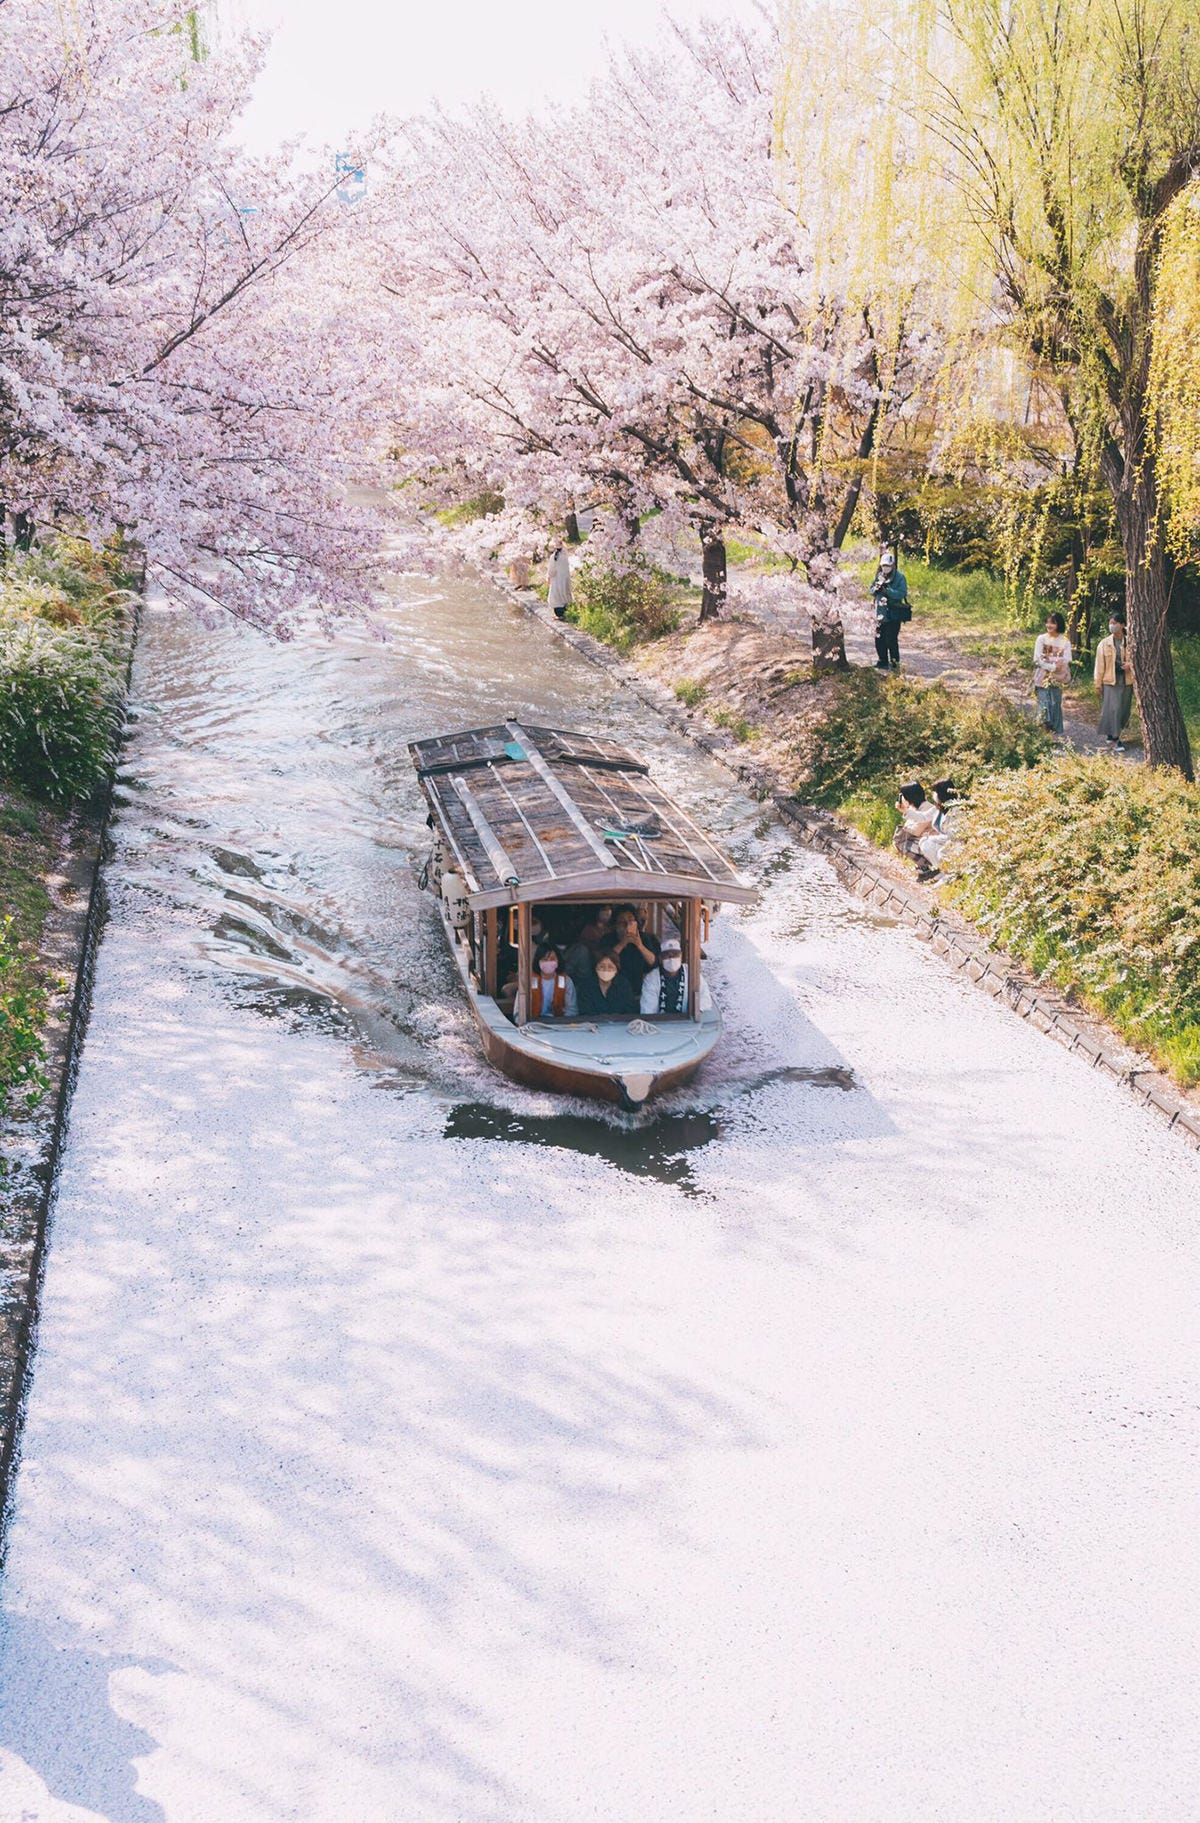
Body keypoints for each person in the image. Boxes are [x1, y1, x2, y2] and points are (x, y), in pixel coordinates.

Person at [639, 935, 712, 1016]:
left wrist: (697, 1011)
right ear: (660, 958)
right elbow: (648, 1010)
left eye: (675, 954)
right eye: (667, 955)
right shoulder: (651, 978)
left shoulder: (691, 972)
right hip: (659, 1024)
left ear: (681, 956)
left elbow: (704, 996)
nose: (671, 958)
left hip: (686, 1024)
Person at [1094, 612, 1134, 753]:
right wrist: (1097, 684)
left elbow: (1138, 659)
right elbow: (1099, 666)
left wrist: (1130, 664)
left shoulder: (1130, 641)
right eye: (1110, 623)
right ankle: (1116, 739)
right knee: (1114, 709)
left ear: (1122, 625)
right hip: (1110, 681)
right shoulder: (1104, 644)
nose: (1112, 626)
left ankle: (1111, 735)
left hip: (1127, 680)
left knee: (1122, 710)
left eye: (1115, 623)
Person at [871, 546, 910, 671]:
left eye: (887, 565)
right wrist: (875, 590)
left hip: (893, 613)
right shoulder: (880, 576)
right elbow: (871, 589)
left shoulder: (900, 577)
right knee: (879, 638)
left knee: (891, 639)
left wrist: (888, 591)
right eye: (883, 565)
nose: (885, 568)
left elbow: (902, 593)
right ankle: (882, 660)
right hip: (880, 613)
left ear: (892, 565)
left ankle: (894, 662)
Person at [1033, 612, 1072, 735]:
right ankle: (1043, 735)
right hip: (1042, 678)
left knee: (1055, 704)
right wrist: (1052, 666)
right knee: (1044, 705)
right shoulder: (1041, 639)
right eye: (1048, 622)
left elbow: (1067, 659)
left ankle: (1052, 735)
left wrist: (1055, 666)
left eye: (1053, 623)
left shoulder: (1064, 641)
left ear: (1058, 624)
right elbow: (1037, 659)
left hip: (1057, 678)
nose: (1049, 625)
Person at [916, 779, 960, 875]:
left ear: (942, 794)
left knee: (939, 851)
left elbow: (953, 836)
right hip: (944, 841)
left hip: (956, 843)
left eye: (936, 793)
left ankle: (950, 875)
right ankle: (942, 872)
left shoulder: (956, 810)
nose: (934, 796)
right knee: (924, 843)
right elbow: (923, 817)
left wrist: (932, 838)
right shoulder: (939, 807)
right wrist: (905, 811)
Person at [576, 947, 637, 1016]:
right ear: (595, 968)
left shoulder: (623, 985)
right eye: (602, 966)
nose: (606, 970)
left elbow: (630, 1011)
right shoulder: (586, 986)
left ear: (616, 969)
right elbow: (584, 1012)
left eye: (610, 967)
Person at [612, 903, 660, 990]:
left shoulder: (644, 938)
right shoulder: (608, 938)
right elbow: (605, 960)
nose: (626, 924)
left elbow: (654, 963)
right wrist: (623, 943)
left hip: (640, 988)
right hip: (615, 987)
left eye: (630, 921)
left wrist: (640, 946)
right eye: (622, 922)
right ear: (616, 924)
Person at [893, 782, 939, 864]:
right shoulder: (914, 808)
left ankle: (926, 867)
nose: (901, 799)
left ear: (909, 797)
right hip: (924, 839)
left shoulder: (926, 808)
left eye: (902, 796)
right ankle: (925, 866)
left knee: (903, 844)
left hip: (933, 843)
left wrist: (904, 828)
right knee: (900, 841)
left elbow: (916, 831)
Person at [528, 945, 578, 1019]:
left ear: (558, 961)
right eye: (544, 959)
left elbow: (572, 1010)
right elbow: (519, 1011)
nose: (548, 962)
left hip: (559, 1024)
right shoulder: (529, 981)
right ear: (538, 962)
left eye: (552, 959)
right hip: (533, 1024)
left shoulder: (566, 981)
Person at [547, 544, 573, 620]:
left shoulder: (553, 557)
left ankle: (558, 615)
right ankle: (563, 613)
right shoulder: (565, 557)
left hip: (556, 579)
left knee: (556, 596)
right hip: (564, 579)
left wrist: (549, 577)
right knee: (564, 594)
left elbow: (551, 570)